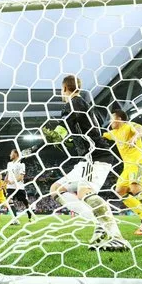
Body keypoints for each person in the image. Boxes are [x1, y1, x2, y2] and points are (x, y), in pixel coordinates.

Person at [42, 75, 129, 251]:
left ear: (65, 88)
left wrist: (54, 136)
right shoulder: (82, 103)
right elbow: (73, 135)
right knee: (57, 189)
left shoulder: (72, 104)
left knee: (84, 192)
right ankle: (99, 223)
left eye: (61, 89)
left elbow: (62, 132)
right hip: (86, 158)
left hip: (95, 156)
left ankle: (117, 236)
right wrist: (61, 139)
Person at [103, 109, 142, 235]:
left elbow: (140, 130)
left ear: (119, 119)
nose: (110, 122)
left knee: (135, 189)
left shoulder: (130, 126)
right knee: (120, 191)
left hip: (138, 162)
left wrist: (134, 137)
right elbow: (100, 134)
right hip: (127, 167)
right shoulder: (114, 133)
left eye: (112, 119)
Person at [5, 149, 33, 223]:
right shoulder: (9, 164)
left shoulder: (21, 165)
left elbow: (21, 177)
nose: (10, 155)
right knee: (9, 200)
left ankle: (30, 215)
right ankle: (15, 220)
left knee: (25, 203)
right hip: (10, 187)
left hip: (19, 187)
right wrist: (5, 182)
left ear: (16, 154)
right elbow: (8, 173)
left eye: (11, 153)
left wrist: (12, 181)